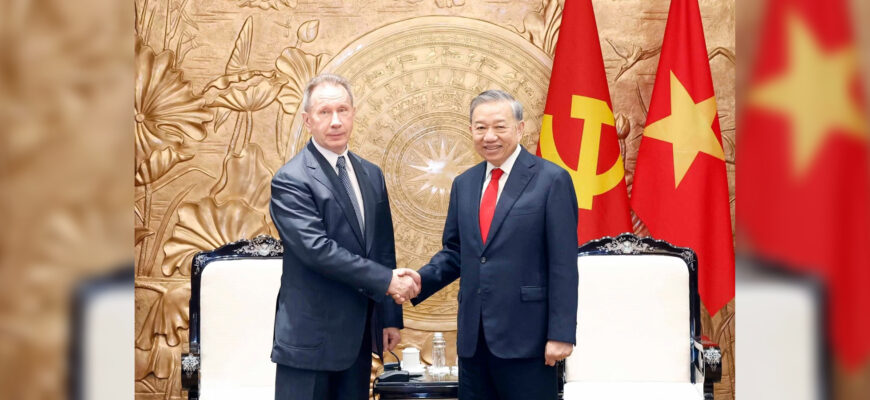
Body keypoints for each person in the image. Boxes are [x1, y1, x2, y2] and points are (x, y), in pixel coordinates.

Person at [406, 90, 579, 399]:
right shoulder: (465, 183)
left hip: (529, 340)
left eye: (500, 127)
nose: (489, 136)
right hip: (474, 342)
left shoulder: (551, 180)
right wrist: (420, 280)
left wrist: (561, 334)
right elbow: (456, 252)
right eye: (480, 127)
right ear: (471, 130)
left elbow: (563, 264)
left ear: (520, 128)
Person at [269, 73, 419, 400]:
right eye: (324, 112)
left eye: (342, 110)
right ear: (308, 120)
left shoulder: (371, 174)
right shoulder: (291, 179)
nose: (335, 121)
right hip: (309, 340)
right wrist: (387, 281)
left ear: (353, 114)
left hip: (358, 338)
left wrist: (389, 318)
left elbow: (382, 248)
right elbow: (317, 250)